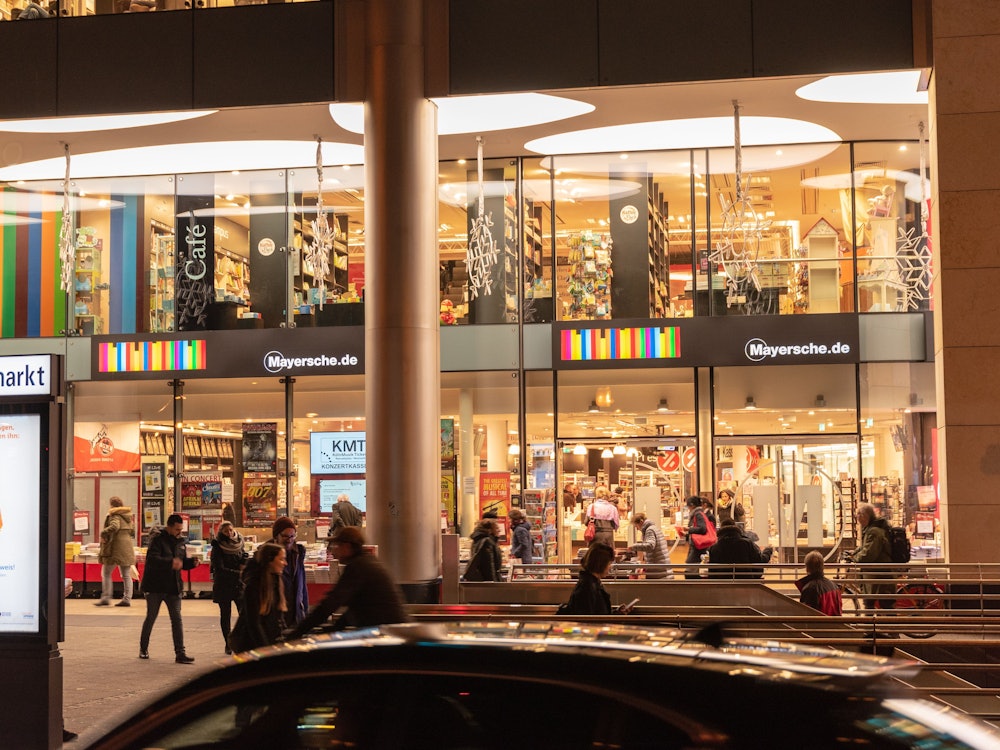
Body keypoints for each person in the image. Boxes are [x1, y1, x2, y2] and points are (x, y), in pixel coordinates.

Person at [288, 526, 407, 637]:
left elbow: (330, 603)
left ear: (347, 547)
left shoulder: (358, 567)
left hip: (388, 637)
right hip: (389, 633)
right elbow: (354, 606)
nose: (334, 551)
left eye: (336, 546)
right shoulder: (366, 561)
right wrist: (334, 628)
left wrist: (298, 632)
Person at [138, 514, 198, 663]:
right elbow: (152, 559)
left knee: (177, 619)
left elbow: (181, 562)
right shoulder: (157, 539)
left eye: (181, 529)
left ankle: (180, 653)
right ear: (169, 526)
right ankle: (143, 648)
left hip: (173, 586)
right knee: (151, 617)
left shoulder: (180, 542)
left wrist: (191, 563)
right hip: (155, 586)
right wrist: (170, 563)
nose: (180, 532)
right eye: (177, 529)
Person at [228, 543, 287, 652]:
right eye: (281, 559)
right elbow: (254, 623)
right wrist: (266, 650)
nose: (285, 563)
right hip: (250, 646)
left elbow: (278, 616)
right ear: (270, 560)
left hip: (269, 642)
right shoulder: (254, 586)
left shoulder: (277, 581)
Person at [557, 543, 634, 615]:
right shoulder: (587, 588)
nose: (610, 567)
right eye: (609, 563)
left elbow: (600, 615)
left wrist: (617, 613)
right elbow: (590, 619)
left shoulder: (590, 583)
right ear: (601, 564)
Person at [210, 521, 248, 654]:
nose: (229, 533)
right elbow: (219, 569)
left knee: (244, 614)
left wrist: (244, 562)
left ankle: (241, 640)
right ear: (221, 532)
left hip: (238, 585)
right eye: (226, 531)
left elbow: (244, 554)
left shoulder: (239, 541)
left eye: (231, 530)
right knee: (225, 615)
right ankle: (228, 643)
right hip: (223, 585)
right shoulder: (217, 546)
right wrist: (239, 573)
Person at [852, 503, 893, 610]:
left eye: (858, 515)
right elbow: (864, 547)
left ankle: (872, 625)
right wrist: (853, 553)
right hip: (877, 577)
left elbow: (868, 554)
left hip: (878, 577)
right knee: (875, 604)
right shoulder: (871, 529)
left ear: (864, 516)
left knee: (874, 604)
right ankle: (873, 624)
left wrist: (855, 558)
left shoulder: (873, 531)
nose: (857, 518)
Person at [96, 496, 136, 607]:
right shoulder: (128, 516)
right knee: (126, 575)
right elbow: (132, 531)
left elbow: (114, 526)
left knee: (106, 573)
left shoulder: (115, 515)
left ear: (112, 505)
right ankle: (127, 599)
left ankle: (106, 597)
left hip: (115, 548)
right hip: (127, 548)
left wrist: (103, 533)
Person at [270, 516, 309, 626]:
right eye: (285, 536)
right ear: (276, 536)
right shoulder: (266, 556)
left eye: (292, 536)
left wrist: (305, 610)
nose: (289, 540)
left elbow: (302, 585)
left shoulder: (298, 554)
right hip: (276, 617)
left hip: (296, 614)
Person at [706, 518, 772, 579]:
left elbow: (712, 572)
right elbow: (760, 561)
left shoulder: (714, 548)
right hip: (745, 583)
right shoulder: (747, 544)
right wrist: (768, 550)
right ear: (736, 528)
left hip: (723, 585)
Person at [796, 550, 843, 616]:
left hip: (821, 625)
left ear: (807, 568)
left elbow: (807, 616)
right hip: (836, 625)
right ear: (822, 567)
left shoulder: (809, 589)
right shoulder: (834, 586)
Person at [629, 512, 673, 579]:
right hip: (662, 567)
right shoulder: (653, 528)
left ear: (641, 522)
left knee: (656, 588)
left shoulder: (649, 530)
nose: (637, 529)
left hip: (658, 569)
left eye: (636, 526)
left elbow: (650, 545)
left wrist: (634, 547)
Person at [680, 495, 710, 579]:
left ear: (692, 505)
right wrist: (686, 533)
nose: (688, 508)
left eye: (688, 506)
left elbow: (702, 528)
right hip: (698, 544)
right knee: (693, 567)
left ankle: (693, 587)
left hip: (698, 545)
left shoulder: (697, 514)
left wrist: (689, 529)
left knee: (691, 568)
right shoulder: (699, 513)